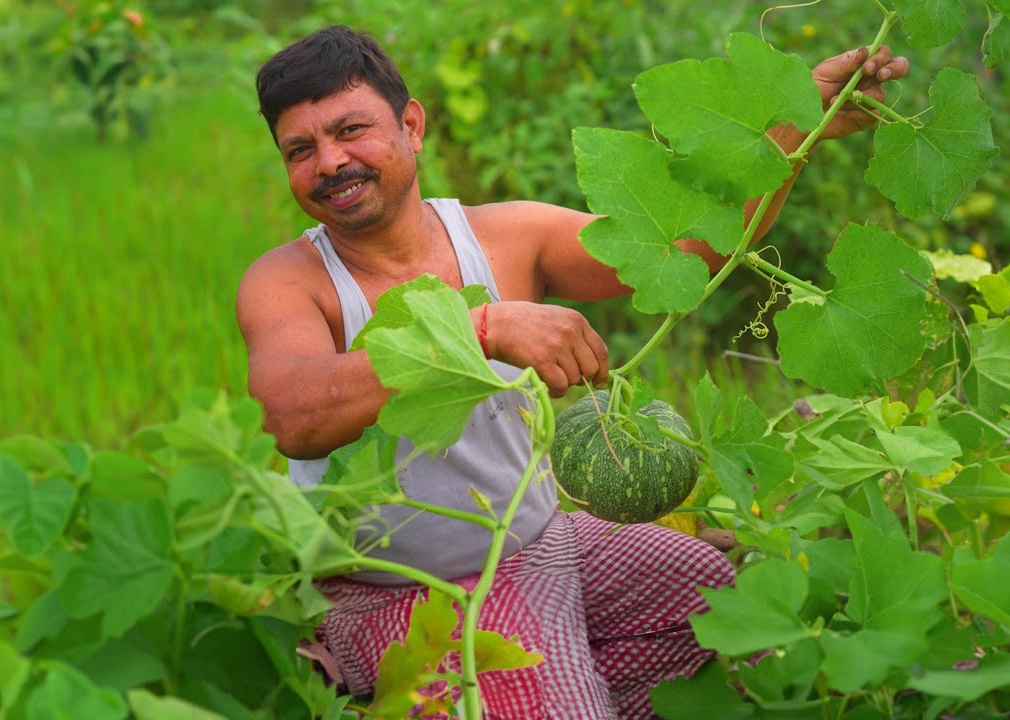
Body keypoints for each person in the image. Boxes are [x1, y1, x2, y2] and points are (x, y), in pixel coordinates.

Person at [237, 25, 908, 719]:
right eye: (301, 149)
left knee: (707, 593)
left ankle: (538, 690)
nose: (330, 161)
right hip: (402, 588)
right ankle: (478, 685)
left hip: (542, 542)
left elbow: (689, 251)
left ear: (411, 125)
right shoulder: (288, 280)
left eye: (351, 130)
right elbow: (292, 415)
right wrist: (483, 329)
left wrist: (800, 131)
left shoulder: (507, 234)